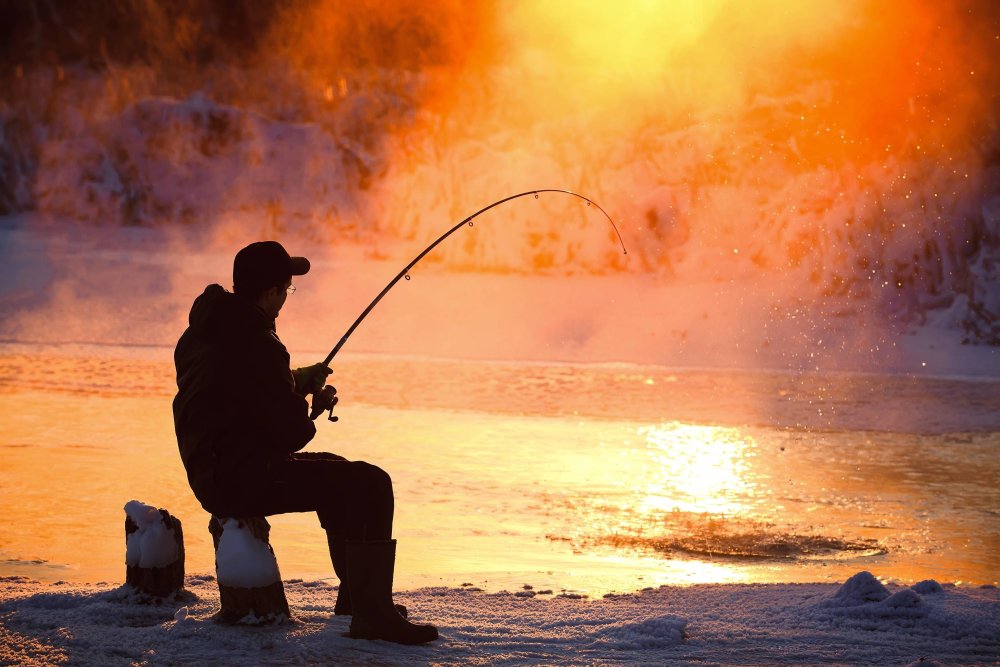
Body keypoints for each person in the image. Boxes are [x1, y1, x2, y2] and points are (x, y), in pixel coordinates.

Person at [172, 240, 437, 645]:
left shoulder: (204, 330)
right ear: (271, 292)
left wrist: (293, 381)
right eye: (287, 289)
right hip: (239, 476)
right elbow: (292, 433)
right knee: (371, 484)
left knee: (338, 469)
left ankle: (358, 601)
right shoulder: (259, 342)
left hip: (212, 466)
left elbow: (236, 391)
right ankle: (372, 615)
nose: (286, 298)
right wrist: (310, 401)